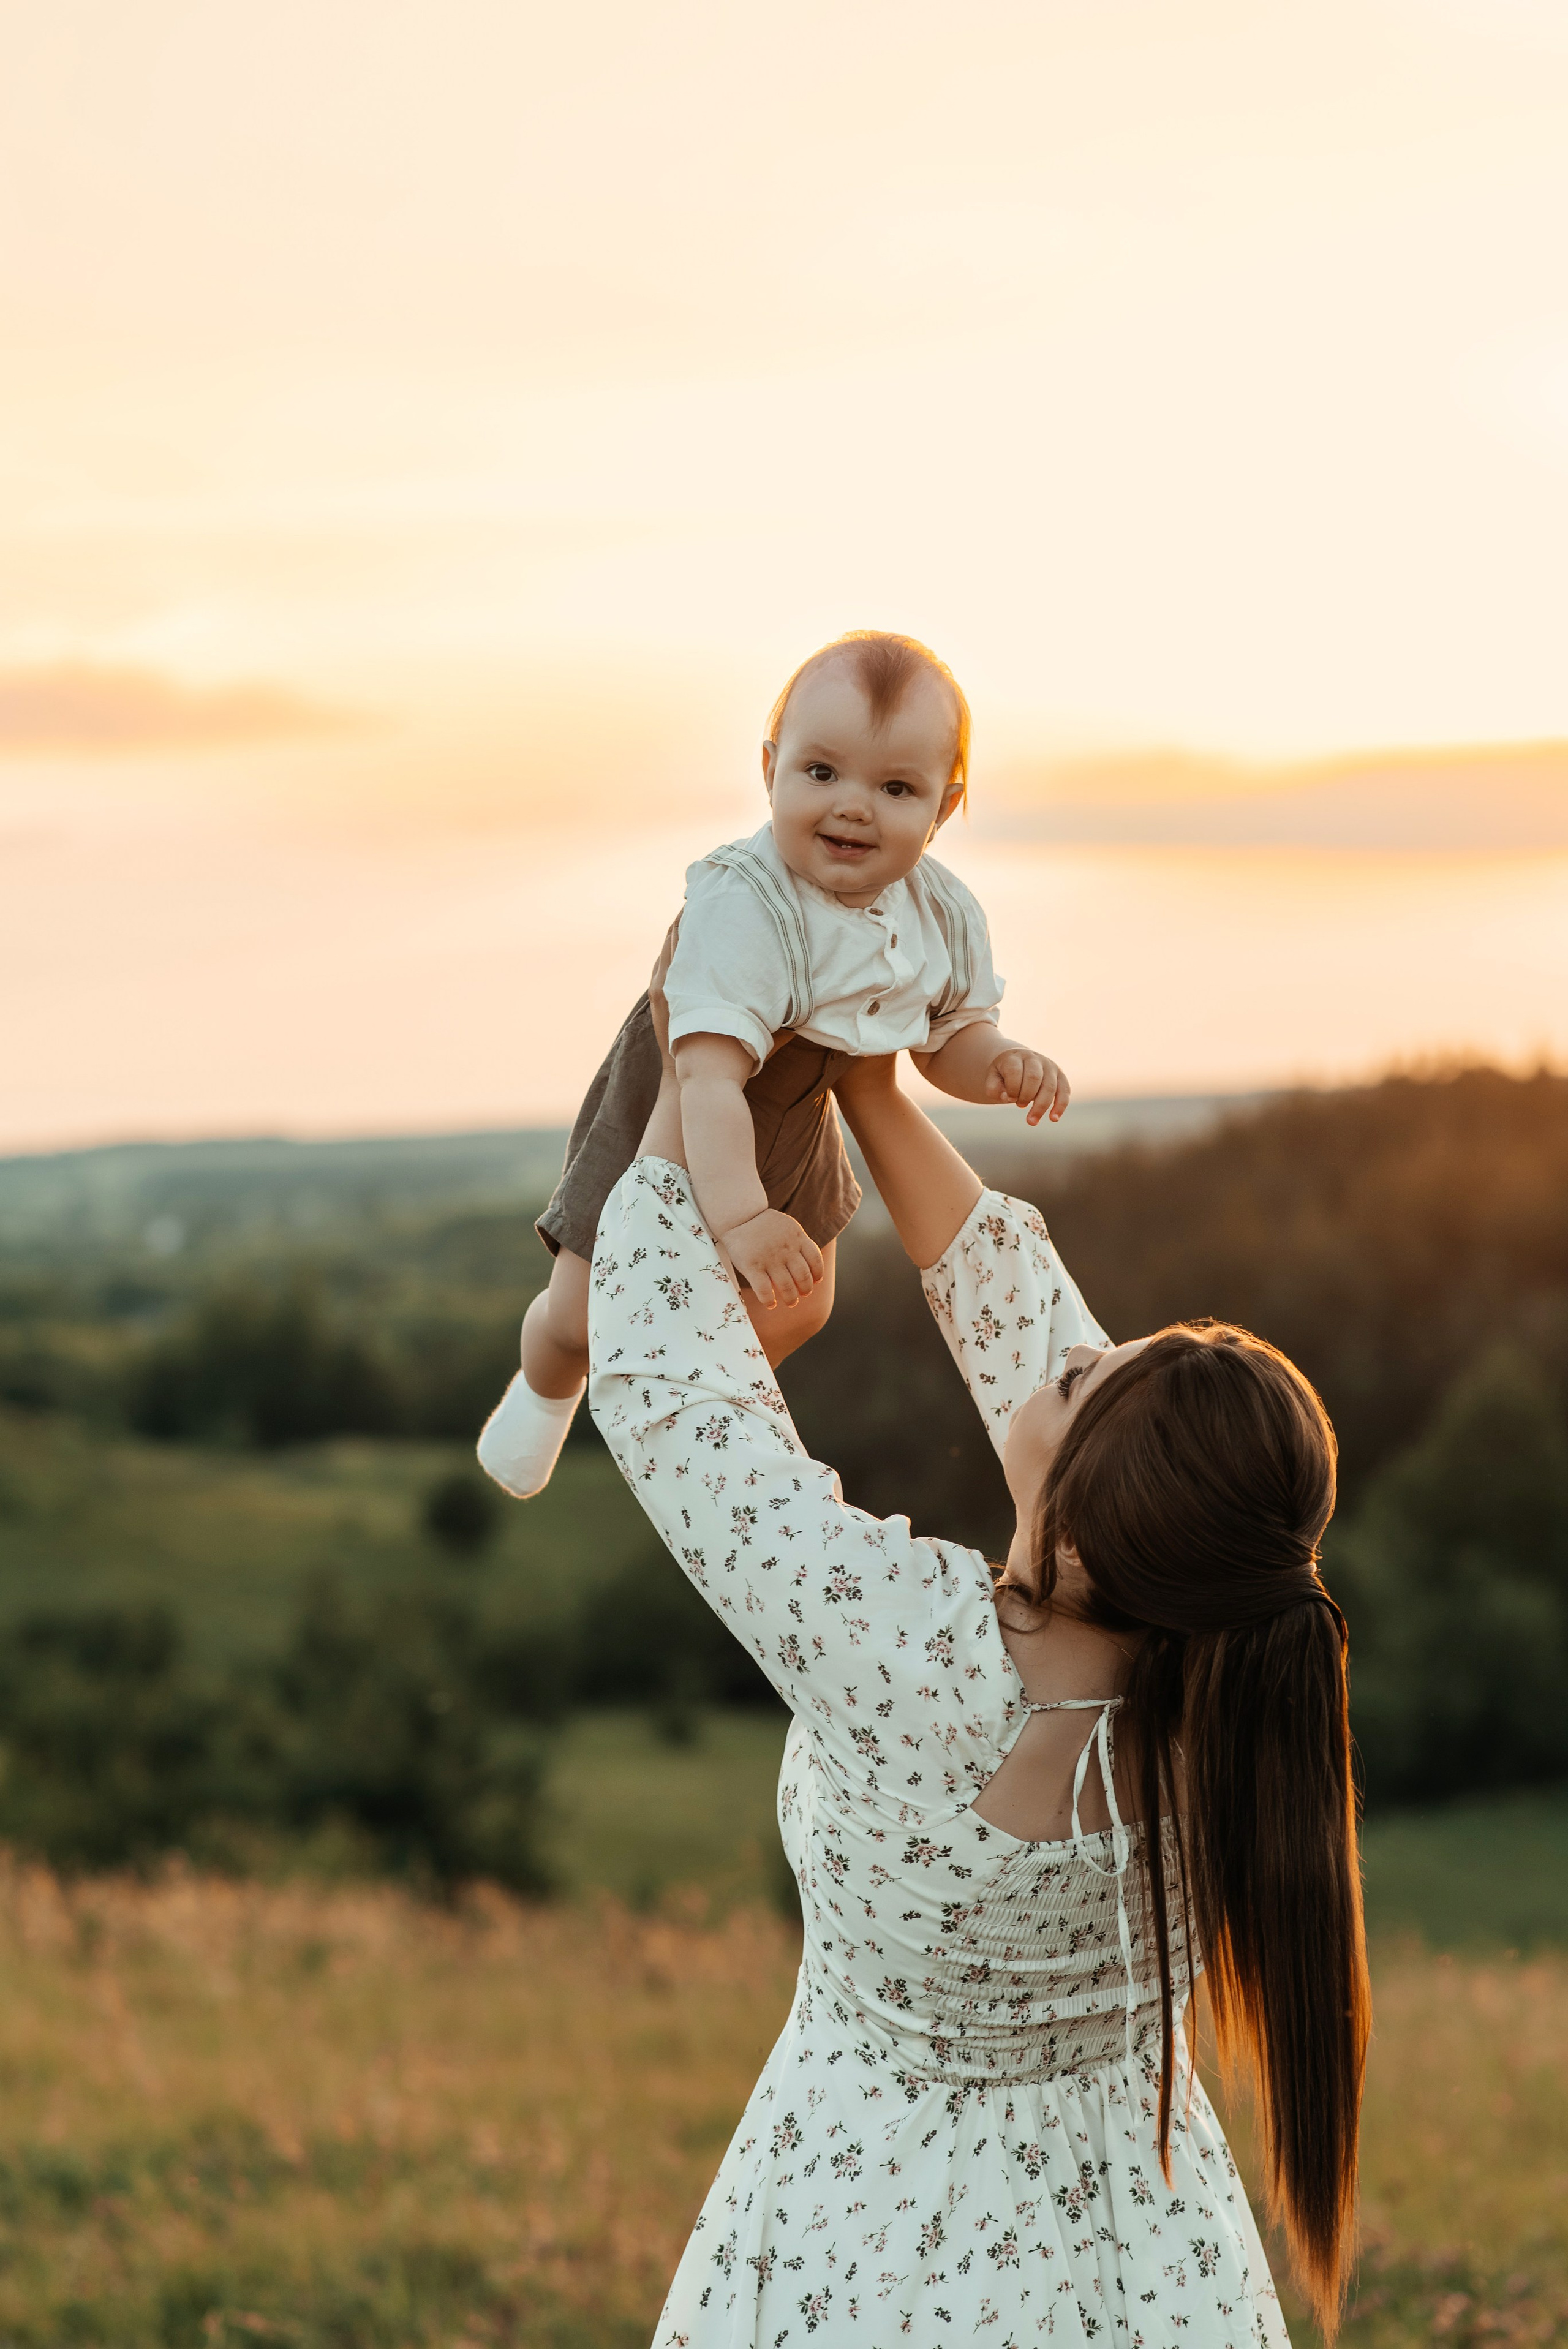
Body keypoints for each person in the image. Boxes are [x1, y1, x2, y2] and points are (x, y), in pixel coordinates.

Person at [585, 1003, 1370, 2348]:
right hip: (1137, 2248)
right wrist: (867, 1084)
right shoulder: (1219, 1680)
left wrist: (691, 1048)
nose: (1073, 1345)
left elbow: (673, 1407)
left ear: (1084, 1521)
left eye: (1082, 1379)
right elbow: (1015, 1302)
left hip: (866, 2230)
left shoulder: (913, 1654)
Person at [476, 629, 1070, 1499]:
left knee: (802, 1304)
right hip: (684, 1094)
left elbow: (945, 1041)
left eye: (895, 787)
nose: (854, 806)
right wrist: (744, 1218)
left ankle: (697, 1413)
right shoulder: (743, 904)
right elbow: (708, 1080)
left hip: (802, 1102)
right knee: (578, 1315)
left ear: (942, 809)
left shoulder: (937, 911)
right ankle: (544, 1389)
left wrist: (1001, 1064)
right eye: (822, 774)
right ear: (771, 771)